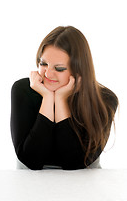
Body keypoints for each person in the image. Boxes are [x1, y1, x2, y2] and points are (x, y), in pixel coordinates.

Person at [10, 26, 118, 170]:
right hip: (31, 186)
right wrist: (48, 98)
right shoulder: (23, 90)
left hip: (85, 186)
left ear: (79, 70)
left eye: (59, 69)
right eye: (43, 64)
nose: (47, 74)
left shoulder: (105, 99)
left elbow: (74, 162)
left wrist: (60, 100)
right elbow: (31, 160)